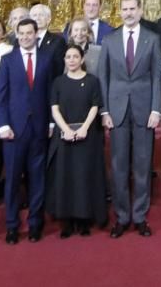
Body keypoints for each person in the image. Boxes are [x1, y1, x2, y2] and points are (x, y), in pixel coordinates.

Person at [97, 0, 161, 238]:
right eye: (124, 9)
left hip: (144, 109)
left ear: (140, 9)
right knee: (119, 165)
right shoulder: (109, 40)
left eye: (132, 8)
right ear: (119, 11)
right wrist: (104, 111)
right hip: (116, 111)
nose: (128, 13)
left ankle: (140, 216)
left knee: (143, 165)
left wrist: (156, 109)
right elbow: (103, 77)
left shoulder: (152, 39)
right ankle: (122, 217)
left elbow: (158, 77)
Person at [0, 17, 54, 243]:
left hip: (39, 128)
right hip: (13, 129)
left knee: (37, 178)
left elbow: (51, 93)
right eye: (21, 34)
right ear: (16, 35)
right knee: (11, 179)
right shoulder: (7, 60)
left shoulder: (48, 59)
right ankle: (11, 225)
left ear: (36, 33)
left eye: (29, 33)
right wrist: (3, 124)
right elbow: (1, 95)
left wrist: (50, 122)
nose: (25, 37)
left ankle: (35, 223)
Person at [47, 44, 108, 236]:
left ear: (82, 59)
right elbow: (54, 108)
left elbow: (95, 106)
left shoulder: (92, 81)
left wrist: (83, 128)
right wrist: (65, 130)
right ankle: (66, 221)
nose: (71, 60)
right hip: (64, 136)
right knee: (65, 177)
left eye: (75, 56)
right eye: (68, 57)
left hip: (87, 136)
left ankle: (84, 220)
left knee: (84, 177)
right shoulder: (58, 82)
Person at [29, 3, 66, 70]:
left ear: (48, 19)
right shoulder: (22, 40)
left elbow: (59, 67)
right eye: (34, 15)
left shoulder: (58, 41)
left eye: (41, 15)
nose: (37, 18)